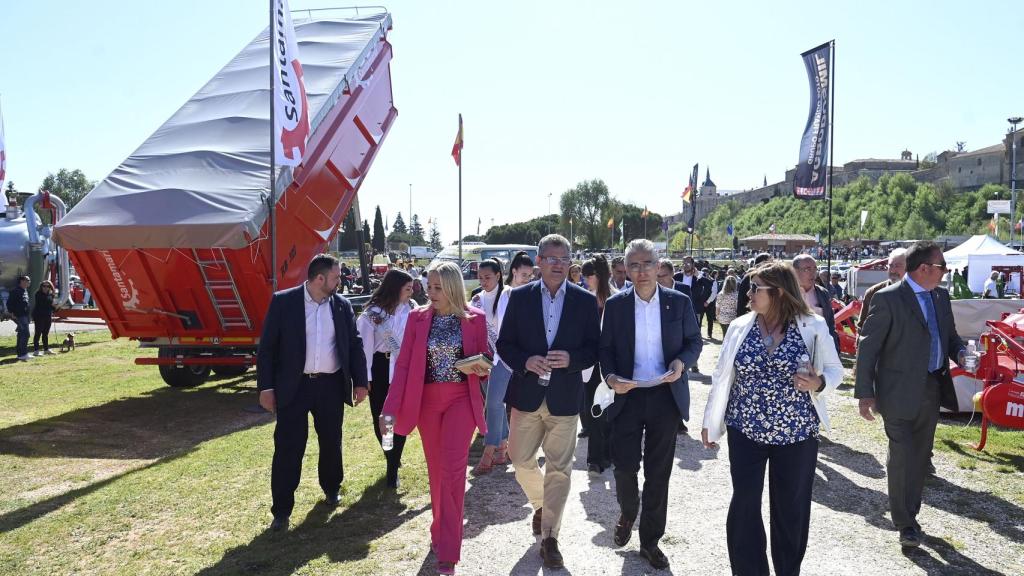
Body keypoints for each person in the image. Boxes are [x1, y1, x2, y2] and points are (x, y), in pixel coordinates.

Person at [701, 261, 843, 576]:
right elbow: (723, 376)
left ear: (778, 293)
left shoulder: (813, 326)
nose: (748, 293)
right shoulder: (741, 326)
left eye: (755, 288)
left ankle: (788, 570)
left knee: (791, 510)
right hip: (745, 430)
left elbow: (836, 371)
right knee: (745, 505)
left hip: (796, 434)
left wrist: (818, 383)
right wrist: (710, 423)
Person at [497, 234, 601, 569]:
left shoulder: (585, 302)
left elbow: (594, 350)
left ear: (571, 262)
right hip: (527, 394)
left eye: (564, 258)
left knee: (560, 468)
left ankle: (551, 536)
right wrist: (525, 360)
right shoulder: (519, 297)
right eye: (551, 258)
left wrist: (572, 359)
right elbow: (504, 344)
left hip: (565, 397)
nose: (558, 264)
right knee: (520, 458)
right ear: (538, 261)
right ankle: (543, 504)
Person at [379, 262, 490, 575]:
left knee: (454, 471)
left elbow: (484, 362)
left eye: (437, 287)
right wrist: (389, 408)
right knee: (437, 472)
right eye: (428, 286)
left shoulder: (475, 318)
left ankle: (449, 551)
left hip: (460, 402)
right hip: (427, 401)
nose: (430, 292)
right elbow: (403, 366)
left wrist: (482, 367)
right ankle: (439, 529)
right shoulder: (417, 318)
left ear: (453, 287)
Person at [854, 241, 967, 549]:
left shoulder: (941, 297)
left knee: (919, 457)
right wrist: (865, 393)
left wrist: (962, 353)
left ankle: (911, 514)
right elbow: (868, 346)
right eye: (942, 267)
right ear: (924, 269)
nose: (945, 272)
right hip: (896, 392)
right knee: (901, 456)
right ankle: (905, 523)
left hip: (931, 388)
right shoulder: (888, 298)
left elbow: (950, 336)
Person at [600, 239, 703, 570]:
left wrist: (681, 364)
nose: (641, 270)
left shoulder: (679, 302)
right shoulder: (616, 306)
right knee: (625, 467)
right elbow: (606, 350)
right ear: (625, 269)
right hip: (627, 396)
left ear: (659, 266)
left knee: (659, 472)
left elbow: (693, 342)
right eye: (634, 264)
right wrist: (612, 377)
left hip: (664, 395)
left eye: (647, 263)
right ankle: (629, 511)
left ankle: (650, 541)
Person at [256, 254, 368, 532]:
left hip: (330, 386)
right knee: (288, 448)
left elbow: (353, 346)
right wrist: (266, 388)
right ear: (320, 279)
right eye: (336, 277)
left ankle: (331, 488)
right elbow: (267, 348)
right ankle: (281, 510)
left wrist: (361, 382)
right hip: (294, 387)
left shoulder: (341, 306)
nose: (340, 281)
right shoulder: (284, 302)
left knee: (332, 441)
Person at [355, 269, 417, 489]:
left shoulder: (412, 309)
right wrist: (366, 378)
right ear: (395, 288)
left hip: (403, 368)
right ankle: (390, 456)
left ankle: (392, 465)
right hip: (380, 368)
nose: (411, 292)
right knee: (382, 419)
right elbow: (364, 348)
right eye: (407, 288)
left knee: (399, 417)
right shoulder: (373, 314)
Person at [469, 258, 508, 475]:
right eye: (480, 277)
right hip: (483, 360)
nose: (483, 281)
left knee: (493, 403)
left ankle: (489, 451)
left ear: (498, 275)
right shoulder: (476, 299)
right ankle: (502, 448)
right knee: (496, 403)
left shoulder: (508, 295)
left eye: (488, 277)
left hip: (505, 359)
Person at [579, 255, 616, 474]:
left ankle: (608, 454)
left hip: (612, 364)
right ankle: (594, 458)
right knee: (592, 408)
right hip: (590, 364)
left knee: (610, 408)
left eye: (588, 276)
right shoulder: (585, 300)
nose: (585, 280)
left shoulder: (618, 299)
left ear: (597, 276)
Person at [792, 255, 841, 353]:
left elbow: (830, 325)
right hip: (792, 352)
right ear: (795, 271)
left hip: (820, 351)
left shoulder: (823, 293)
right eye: (807, 269)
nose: (813, 273)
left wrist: (834, 348)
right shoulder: (785, 294)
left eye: (815, 269)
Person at [858, 249, 907, 331]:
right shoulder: (873, 293)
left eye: (898, 266)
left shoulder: (918, 293)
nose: (893, 270)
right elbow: (862, 327)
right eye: (890, 266)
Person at [736, 253, 772, 317]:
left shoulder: (766, 278)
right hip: (749, 315)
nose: (773, 265)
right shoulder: (750, 278)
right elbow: (742, 300)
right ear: (763, 263)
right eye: (770, 262)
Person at [9, 275, 31, 361]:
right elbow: (9, 303)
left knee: (21, 334)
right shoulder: (16, 291)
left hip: (25, 315)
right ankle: (23, 354)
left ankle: (20, 354)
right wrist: (12, 313)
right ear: (21, 281)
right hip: (20, 315)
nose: (29, 282)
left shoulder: (24, 291)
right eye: (27, 280)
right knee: (25, 334)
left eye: (29, 281)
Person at [32, 280, 57, 356]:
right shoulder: (38, 294)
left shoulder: (51, 295)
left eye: (48, 286)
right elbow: (43, 303)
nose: (46, 288)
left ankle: (46, 349)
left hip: (48, 316)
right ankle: (36, 351)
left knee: (45, 333)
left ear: (50, 287)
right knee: (38, 333)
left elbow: (53, 308)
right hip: (39, 316)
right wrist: (52, 303)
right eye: (44, 286)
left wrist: (57, 307)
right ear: (41, 287)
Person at [702, 269, 719, 339]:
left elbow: (714, 293)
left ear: (708, 273)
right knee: (699, 319)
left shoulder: (713, 281)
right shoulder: (700, 280)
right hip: (701, 303)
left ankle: (709, 334)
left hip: (709, 304)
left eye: (705, 273)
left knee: (710, 319)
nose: (704, 274)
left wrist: (707, 302)